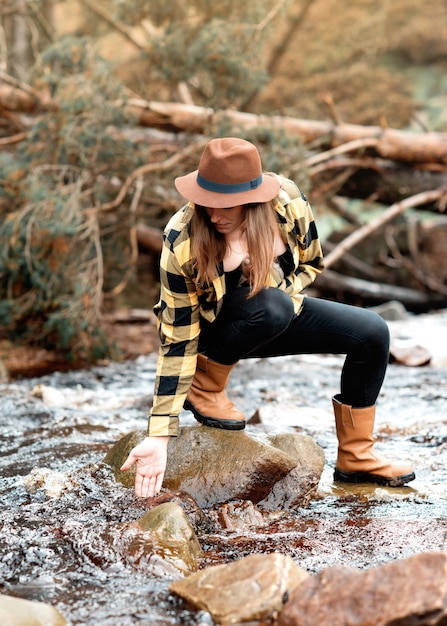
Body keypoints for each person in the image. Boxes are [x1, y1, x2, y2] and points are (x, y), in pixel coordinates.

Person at [120, 137, 415, 498]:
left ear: (253, 199)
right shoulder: (181, 238)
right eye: (207, 202)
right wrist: (159, 435)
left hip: (274, 309)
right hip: (212, 334)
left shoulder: (288, 202)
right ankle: (205, 386)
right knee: (273, 307)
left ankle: (356, 457)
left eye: (226, 205)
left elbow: (311, 264)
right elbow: (177, 336)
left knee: (372, 332)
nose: (214, 214)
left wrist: (261, 270)